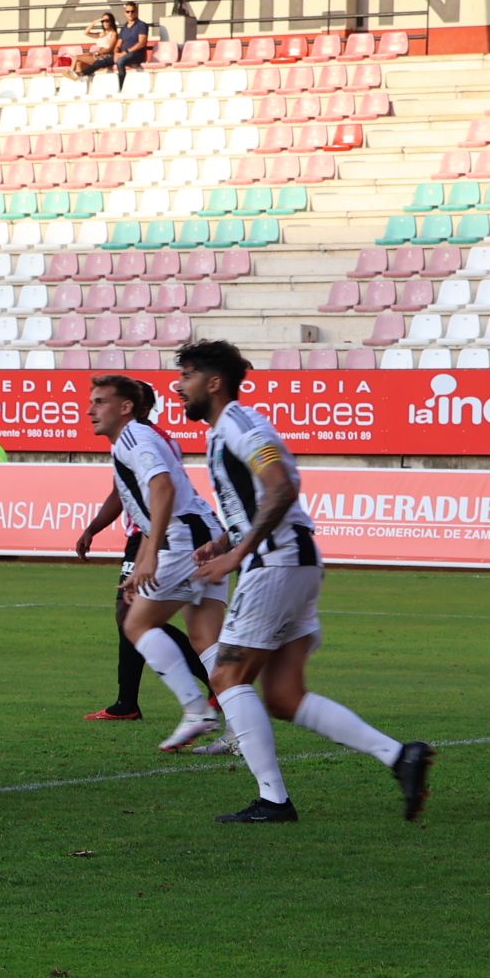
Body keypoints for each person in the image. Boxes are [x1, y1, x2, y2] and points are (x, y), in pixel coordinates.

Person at [176, 339, 434, 824]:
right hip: (292, 560)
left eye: (187, 375)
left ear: (213, 383)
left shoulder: (239, 423)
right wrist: (223, 540)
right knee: (283, 696)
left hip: (276, 563)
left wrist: (239, 552)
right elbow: (261, 499)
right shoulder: (222, 432)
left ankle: (273, 801)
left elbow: (283, 487)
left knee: (228, 675)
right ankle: (400, 757)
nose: (178, 386)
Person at [74, 375, 225, 748]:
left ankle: (196, 709)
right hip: (204, 534)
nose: (90, 410)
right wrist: (144, 555)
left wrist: (151, 555)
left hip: (184, 539)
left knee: (136, 623)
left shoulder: (135, 438)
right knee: (206, 641)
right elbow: (147, 506)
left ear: (126, 408)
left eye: (99, 402)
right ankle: (241, 730)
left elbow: (162, 488)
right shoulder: (137, 439)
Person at [114, 1, 157, 87]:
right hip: (125, 54)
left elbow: (142, 43)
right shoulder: (124, 27)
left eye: (132, 11)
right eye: (128, 11)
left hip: (137, 54)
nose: (130, 13)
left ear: (136, 12)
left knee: (120, 61)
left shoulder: (141, 25)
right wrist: (116, 52)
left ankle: (121, 87)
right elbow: (118, 44)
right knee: (104, 61)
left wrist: (125, 52)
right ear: (125, 13)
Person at [71, 13, 120, 82]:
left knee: (77, 57)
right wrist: (95, 22)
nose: (105, 23)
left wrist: (97, 52)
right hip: (97, 55)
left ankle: (72, 73)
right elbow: (86, 33)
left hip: (105, 57)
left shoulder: (113, 34)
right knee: (79, 62)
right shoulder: (101, 34)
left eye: (107, 20)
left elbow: (109, 49)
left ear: (111, 21)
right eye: (103, 21)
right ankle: (80, 80)